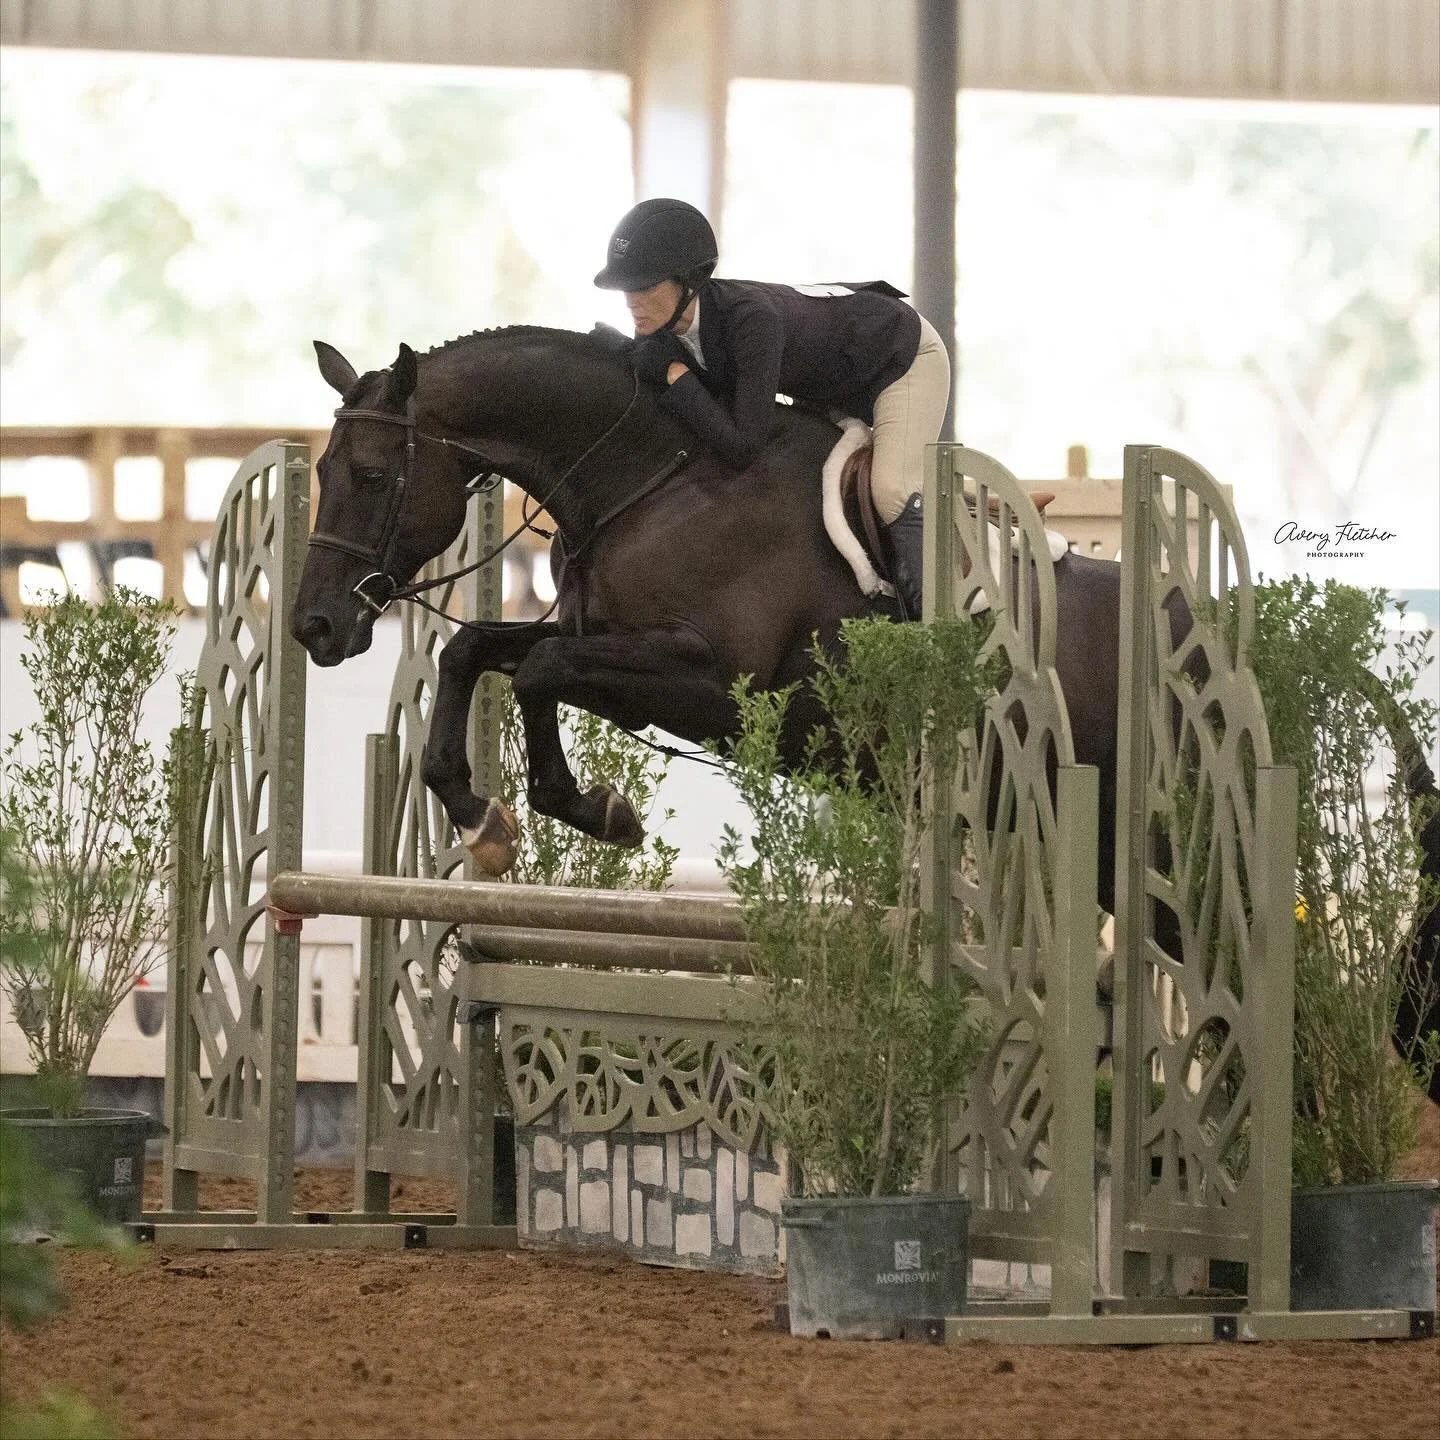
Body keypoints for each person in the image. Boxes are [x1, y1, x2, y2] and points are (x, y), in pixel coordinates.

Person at [593, 197, 950, 619]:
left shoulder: (751, 319)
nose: (631, 302)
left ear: (689, 283)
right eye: (627, 289)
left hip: (899, 361)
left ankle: (936, 627)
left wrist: (675, 375)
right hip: (833, 385)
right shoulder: (668, 329)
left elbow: (743, 444)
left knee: (890, 489)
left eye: (645, 286)